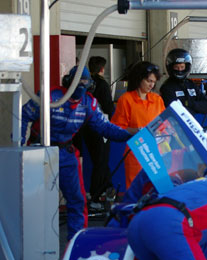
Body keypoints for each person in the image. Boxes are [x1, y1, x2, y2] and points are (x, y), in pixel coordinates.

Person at [21, 66, 133, 240]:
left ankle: (76, 243)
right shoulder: (50, 96)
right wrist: (20, 145)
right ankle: (31, 245)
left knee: (77, 201)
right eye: (77, 81)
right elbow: (24, 114)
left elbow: (104, 128)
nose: (81, 85)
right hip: (39, 152)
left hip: (66, 153)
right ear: (68, 82)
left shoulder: (88, 103)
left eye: (84, 82)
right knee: (33, 202)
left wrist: (131, 135)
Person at [112, 61, 165, 187]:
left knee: (156, 189)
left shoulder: (157, 99)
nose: (151, 85)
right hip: (136, 151)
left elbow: (164, 125)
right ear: (139, 79)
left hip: (157, 152)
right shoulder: (126, 100)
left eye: (154, 81)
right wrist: (135, 130)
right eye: (148, 81)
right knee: (135, 189)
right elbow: (117, 127)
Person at [81, 56, 116, 207]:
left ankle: (108, 189)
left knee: (99, 160)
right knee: (101, 161)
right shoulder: (102, 84)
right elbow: (109, 107)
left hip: (86, 127)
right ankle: (95, 196)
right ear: (102, 68)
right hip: (101, 127)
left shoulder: (85, 83)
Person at [160, 48, 207, 116]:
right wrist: (194, 106)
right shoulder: (167, 87)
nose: (180, 70)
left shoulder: (191, 85)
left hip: (197, 122)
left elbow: (206, 105)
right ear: (171, 67)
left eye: (182, 67)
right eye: (177, 67)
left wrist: (190, 104)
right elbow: (175, 110)